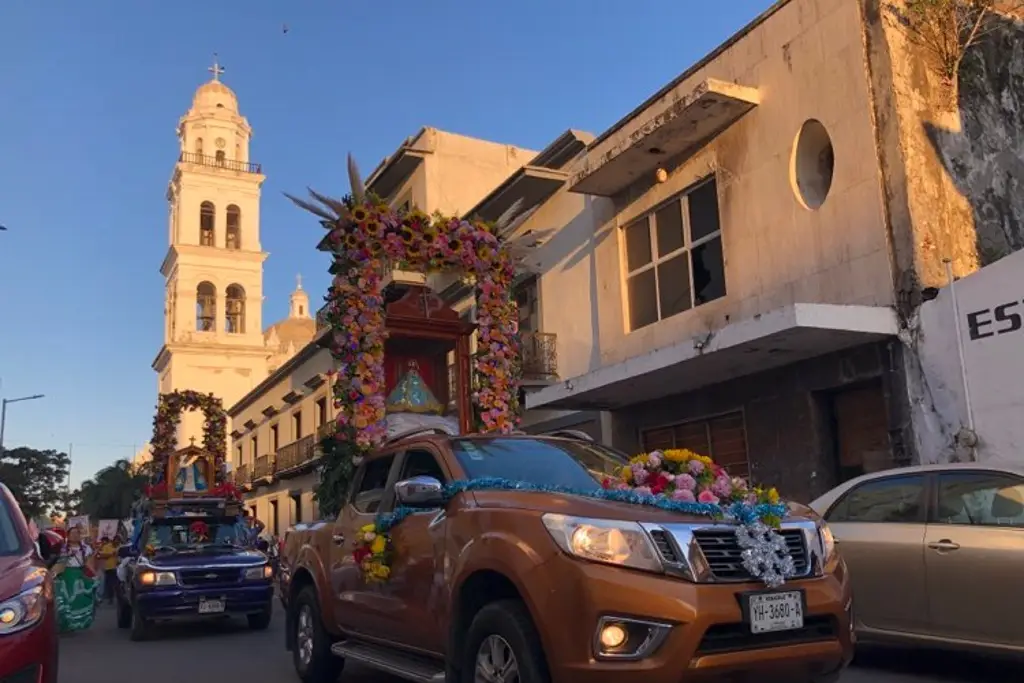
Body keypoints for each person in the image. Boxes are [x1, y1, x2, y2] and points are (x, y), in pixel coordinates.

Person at [54, 525, 97, 633]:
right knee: (66, 601)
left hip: (80, 576)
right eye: (72, 533)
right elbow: (57, 564)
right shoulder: (62, 548)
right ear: (68, 535)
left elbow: (90, 563)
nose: (75, 536)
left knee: (81, 600)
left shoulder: (86, 548)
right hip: (66, 576)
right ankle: (66, 624)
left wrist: (94, 576)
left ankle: (77, 623)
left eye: (77, 533)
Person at [95, 536, 119, 605]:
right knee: (108, 584)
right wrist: (111, 554)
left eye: (118, 541)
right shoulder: (107, 546)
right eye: (116, 540)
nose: (117, 542)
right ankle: (109, 598)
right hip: (107, 568)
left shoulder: (119, 547)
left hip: (116, 568)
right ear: (113, 540)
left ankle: (114, 597)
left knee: (115, 584)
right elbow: (102, 555)